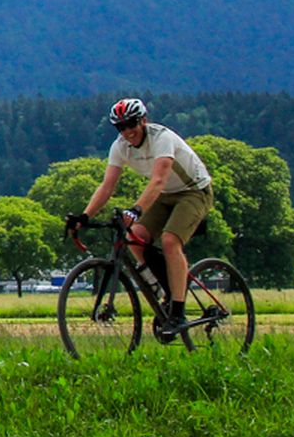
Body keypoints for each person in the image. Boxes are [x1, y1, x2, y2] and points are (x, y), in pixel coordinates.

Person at [66, 98, 213, 338]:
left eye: (131, 124)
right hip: (165, 195)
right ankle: (161, 284)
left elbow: (158, 180)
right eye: (120, 127)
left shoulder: (161, 138)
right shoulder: (120, 147)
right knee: (134, 236)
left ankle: (178, 310)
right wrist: (84, 216)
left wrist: (135, 210)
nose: (127, 131)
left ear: (143, 120)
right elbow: (107, 187)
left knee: (169, 241)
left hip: (194, 191)